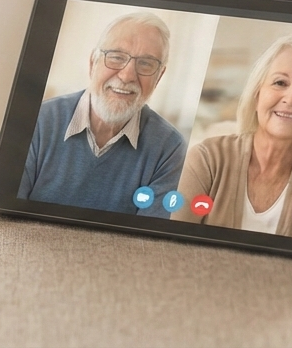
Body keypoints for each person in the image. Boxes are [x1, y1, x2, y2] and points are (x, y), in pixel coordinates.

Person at [172, 35, 292, 241]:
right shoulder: (206, 158)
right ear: (257, 95)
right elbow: (173, 244)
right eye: (280, 82)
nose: (291, 99)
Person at [19, 12, 187, 217]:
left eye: (146, 64)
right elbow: (11, 217)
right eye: (116, 57)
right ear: (93, 63)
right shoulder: (37, 120)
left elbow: (148, 243)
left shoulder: (170, 148)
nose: (127, 76)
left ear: (159, 77)